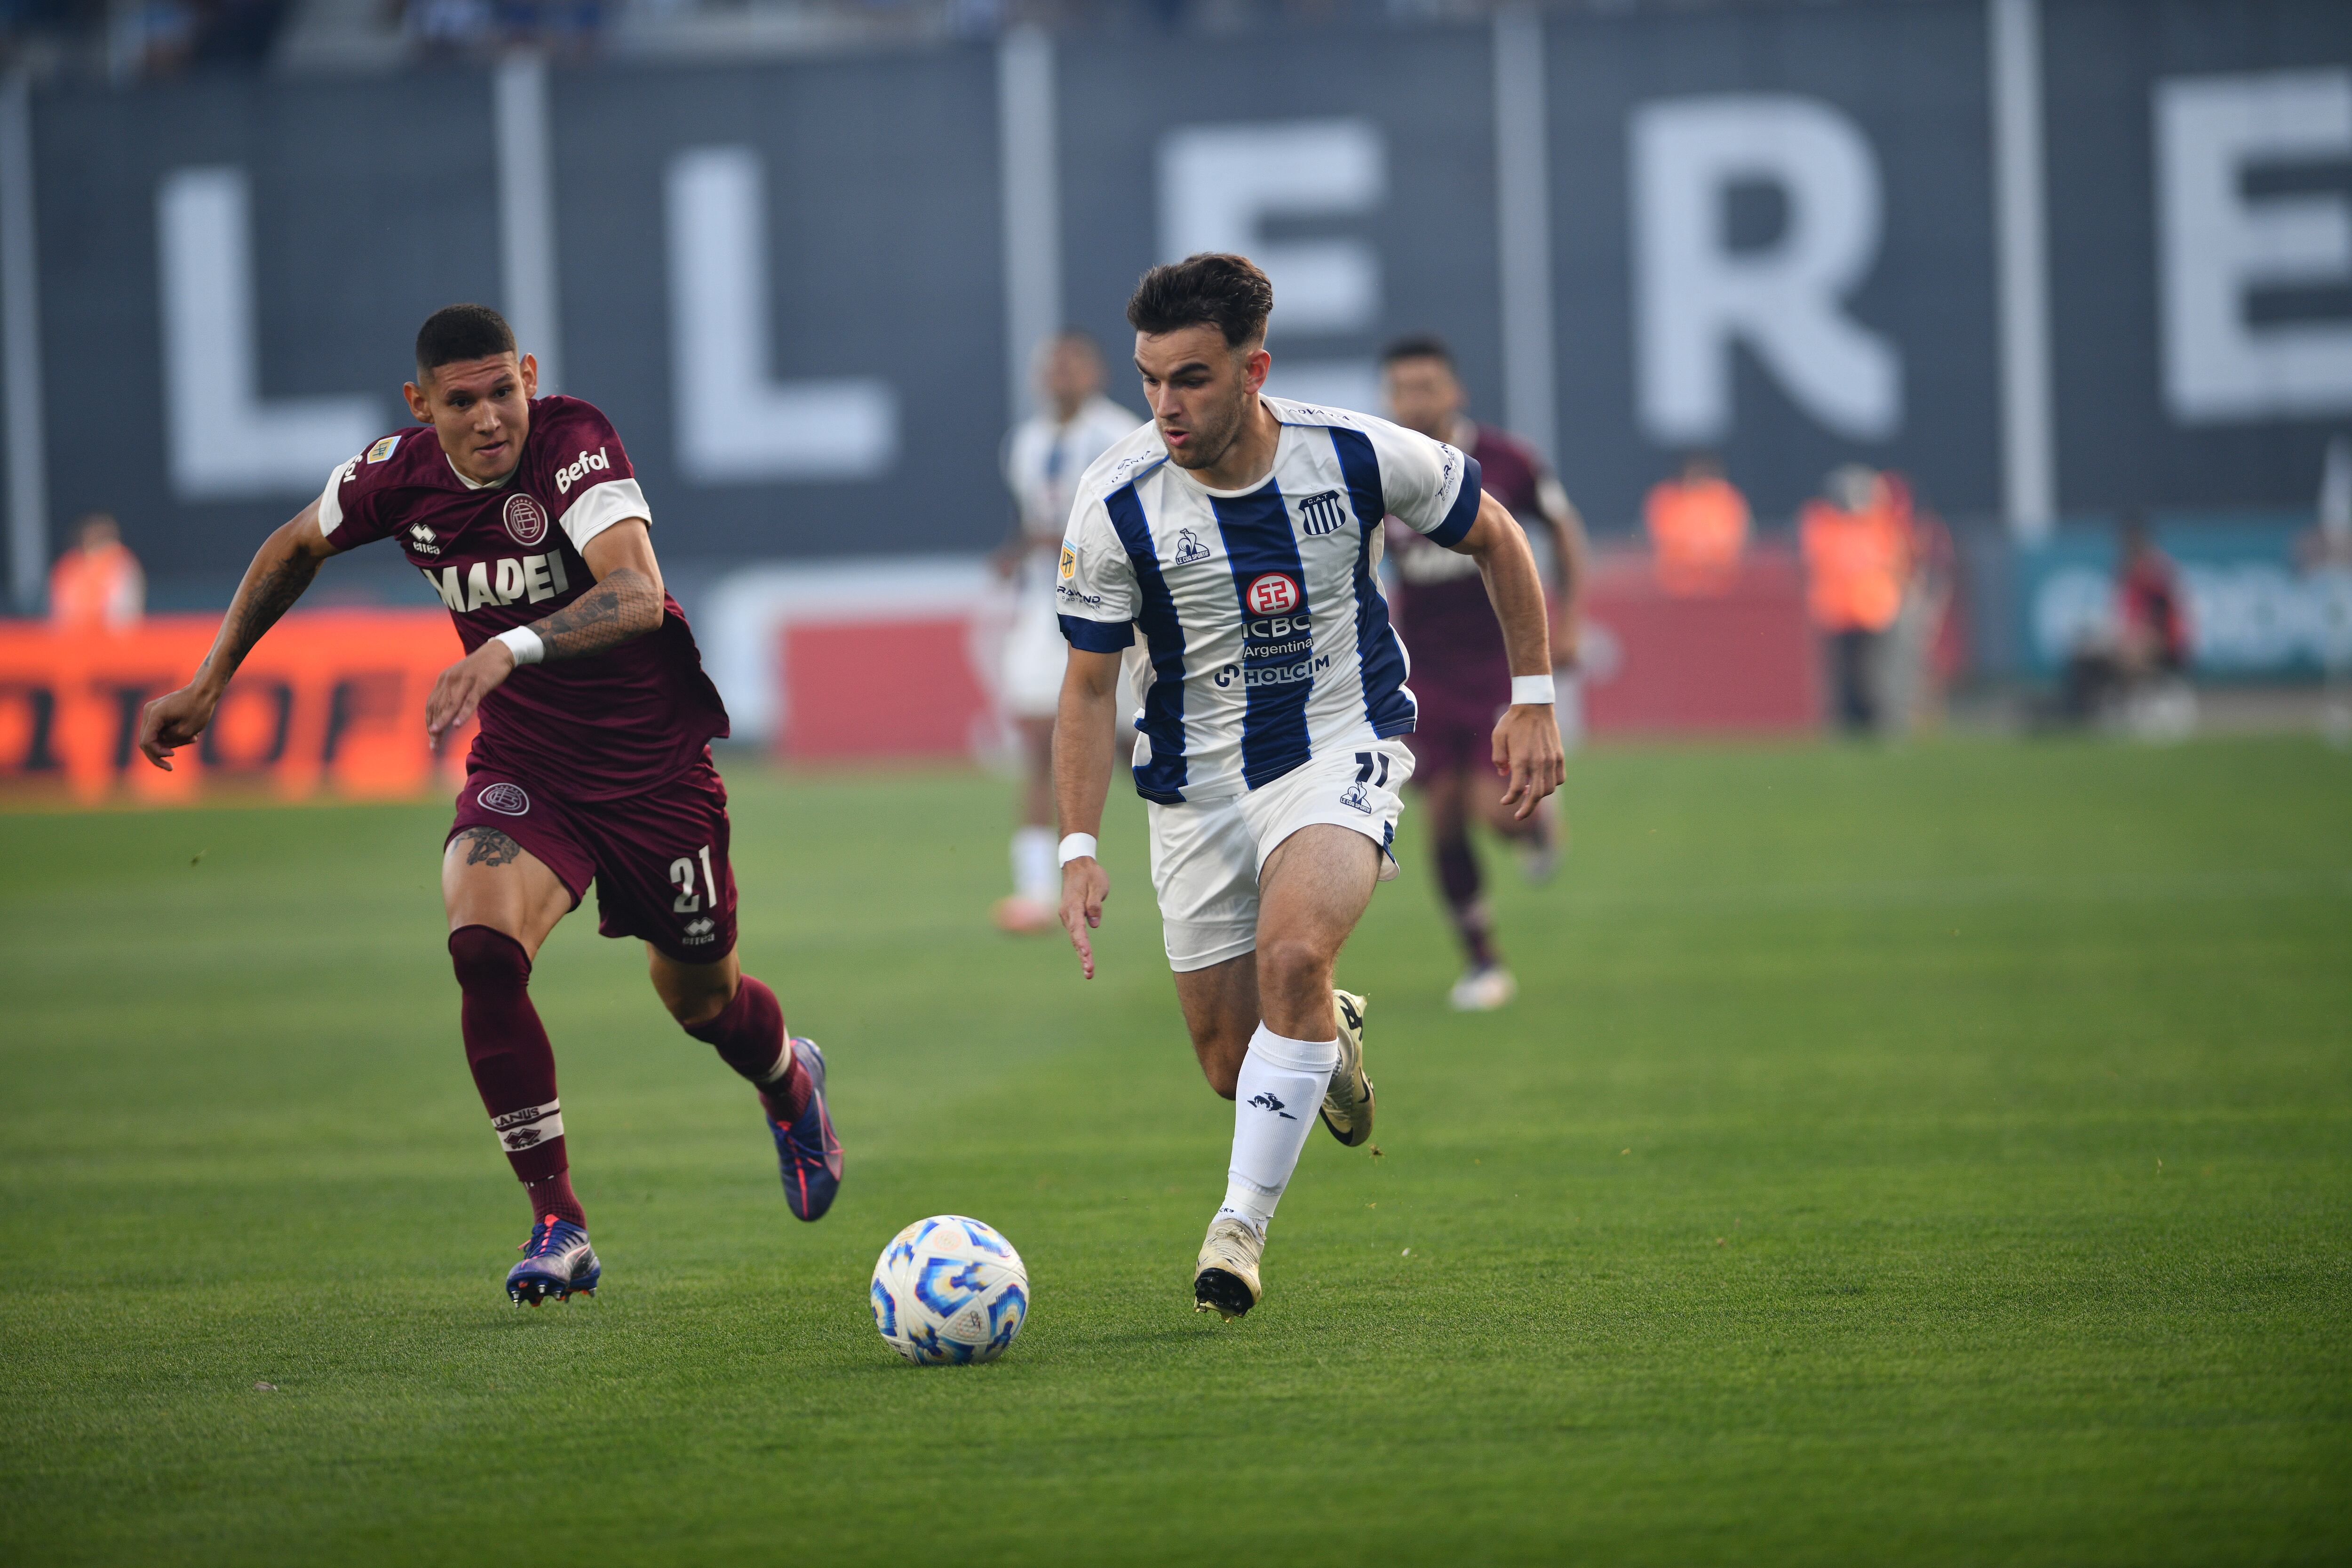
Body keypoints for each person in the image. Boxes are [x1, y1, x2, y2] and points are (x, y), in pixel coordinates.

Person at [133, 304, 842, 1305]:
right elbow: (296, 543)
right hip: (530, 765)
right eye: (461, 401)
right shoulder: (396, 474)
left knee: (702, 1001)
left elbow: (637, 593)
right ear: (422, 406)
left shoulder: (573, 443)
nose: (489, 417)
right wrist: (210, 680)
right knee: (480, 943)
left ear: (530, 377)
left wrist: (507, 646)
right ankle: (559, 1220)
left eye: (503, 389)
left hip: (653, 772)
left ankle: (790, 1081)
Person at [1053, 254, 1564, 1319]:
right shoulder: (1113, 500)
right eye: (1151, 380)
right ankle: (1324, 1032)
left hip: (1341, 744)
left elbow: (1497, 533)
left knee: (1294, 952)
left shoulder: (1356, 455)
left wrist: (1535, 694)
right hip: (1193, 789)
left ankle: (1237, 1230)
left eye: (1189, 378)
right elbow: (1091, 686)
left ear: (1254, 369)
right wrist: (1076, 845)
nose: (1164, 405)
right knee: (1230, 1065)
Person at [1377, 334, 1586, 1011]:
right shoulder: (1377, 467)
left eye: (1427, 386)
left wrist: (1572, 619)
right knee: (1440, 814)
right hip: (1424, 668)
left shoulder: (1504, 461)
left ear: (1455, 391)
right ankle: (1482, 961)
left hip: (1500, 659)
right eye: (1402, 388)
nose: (1415, 400)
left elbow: (1561, 529)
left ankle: (1535, 827)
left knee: (1489, 810)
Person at [992, 331, 1143, 934]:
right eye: (1051, 366)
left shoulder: (1121, 436)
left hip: (1108, 606)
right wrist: (1018, 553)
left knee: (1136, 746)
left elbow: (1124, 522)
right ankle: (1032, 890)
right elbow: (1037, 522)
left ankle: (1217, 838)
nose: (1061, 375)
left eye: (1072, 364)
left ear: (1096, 372)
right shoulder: (1025, 443)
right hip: (1042, 604)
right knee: (1035, 739)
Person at [1800, 464, 1908, 733]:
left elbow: (1897, 563)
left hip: (1873, 610)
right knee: (1842, 675)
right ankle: (1847, 724)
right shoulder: (1823, 524)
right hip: (1837, 611)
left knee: (1874, 673)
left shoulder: (1880, 524)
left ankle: (1879, 722)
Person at [1643, 453, 1748, 596]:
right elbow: (1662, 542)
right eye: (1696, 475)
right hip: (1674, 583)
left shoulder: (1726, 499)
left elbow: (1733, 542)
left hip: (1722, 583)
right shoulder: (1667, 499)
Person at [48, 512, 145, 632]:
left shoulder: (122, 564)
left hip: (111, 639)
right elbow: (59, 614)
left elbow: (126, 615)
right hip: (75, 639)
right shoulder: (69, 566)